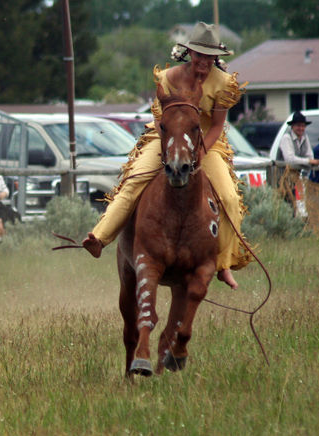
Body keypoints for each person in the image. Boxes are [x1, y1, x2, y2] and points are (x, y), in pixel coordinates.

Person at [82, 22, 251, 290]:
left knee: (229, 196)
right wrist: (172, 146)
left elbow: (217, 126)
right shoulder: (169, 78)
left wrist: (200, 151)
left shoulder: (223, 84)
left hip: (205, 140)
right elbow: (162, 121)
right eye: (198, 55)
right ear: (189, 54)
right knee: (134, 181)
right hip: (165, 137)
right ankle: (99, 238)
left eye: (209, 57)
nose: (203, 62)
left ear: (215, 58)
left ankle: (224, 264)